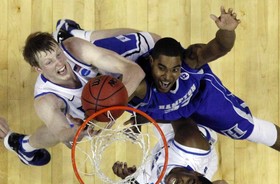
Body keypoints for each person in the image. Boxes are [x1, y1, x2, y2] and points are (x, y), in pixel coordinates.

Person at [3, 6, 238, 166]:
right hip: (82, 109)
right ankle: (24, 144)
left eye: (57, 54)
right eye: (49, 62)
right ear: (38, 69)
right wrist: (81, 129)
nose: (59, 63)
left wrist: (112, 109)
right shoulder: (46, 100)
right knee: (66, 137)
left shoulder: (73, 49)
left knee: (152, 41)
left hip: (103, 84)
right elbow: (63, 132)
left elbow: (133, 71)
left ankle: (76, 31)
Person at [112, 119, 237, 184]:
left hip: (162, 160)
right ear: (196, 173)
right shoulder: (191, 144)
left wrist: (127, 179)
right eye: (189, 182)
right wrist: (140, 118)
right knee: (154, 98)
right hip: (185, 136)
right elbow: (175, 112)